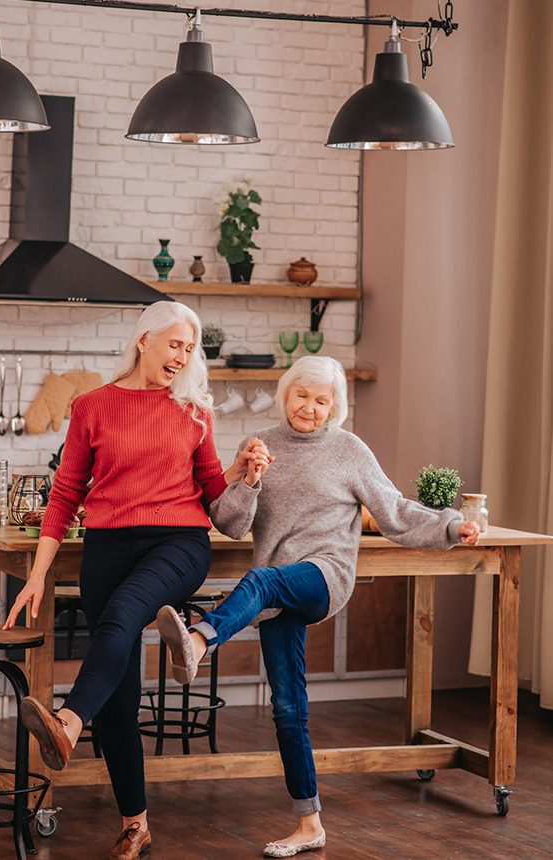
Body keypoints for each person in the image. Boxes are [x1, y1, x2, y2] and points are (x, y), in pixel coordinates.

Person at [156, 355, 480, 859]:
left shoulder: (350, 450)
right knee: (288, 709)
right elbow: (231, 523)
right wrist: (248, 478)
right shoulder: (260, 443)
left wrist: (451, 526)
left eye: (321, 400)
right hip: (272, 592)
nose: (310, 407)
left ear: (335, 407)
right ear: (287, 393)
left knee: (261, 581)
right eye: (302, 395)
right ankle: (310, 825)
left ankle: (198, 641)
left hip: (324, 576)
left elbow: (394, 512)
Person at [3, 301, 266, 860]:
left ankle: (68, 723)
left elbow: (215, 494)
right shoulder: (92, 406)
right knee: (119, 692)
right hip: (106, 546)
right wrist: (38, 574)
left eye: (190, 349)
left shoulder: (194, 409)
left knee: (123, 616)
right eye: (175, 344)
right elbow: (65, 495)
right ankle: (135, 824)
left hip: (178, 543)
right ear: (144, 339)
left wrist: (243, 472)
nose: (183, 356)